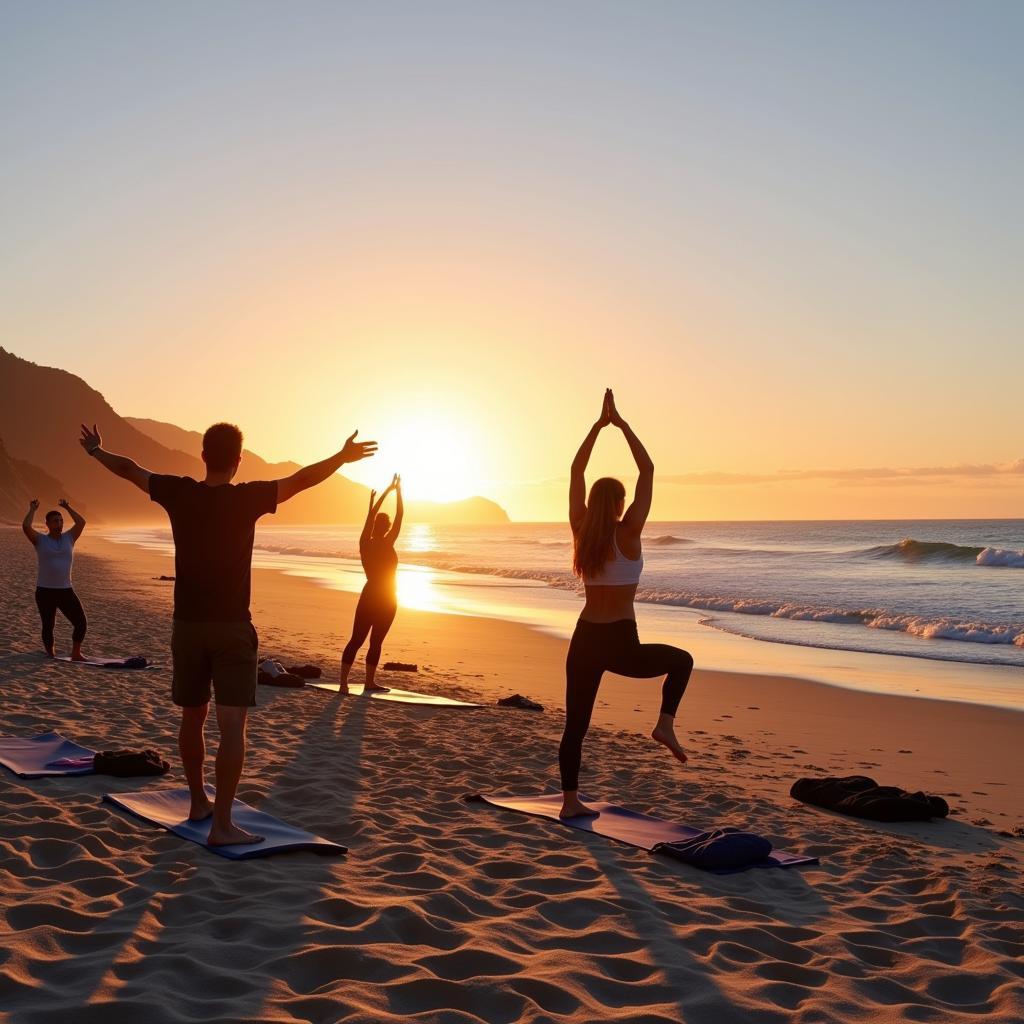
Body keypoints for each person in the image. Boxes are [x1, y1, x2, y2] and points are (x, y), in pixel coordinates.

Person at [79, 420, 376, 846]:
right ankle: (221, 825)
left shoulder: (179, 492)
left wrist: (95, 452)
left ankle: (199, 801)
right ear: (238, 460)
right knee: (232, 726)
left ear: (203, 456)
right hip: (232, 627)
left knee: (192, 716)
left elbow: (129, 469)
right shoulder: (248, 497)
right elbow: (302, 479)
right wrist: (341, 457)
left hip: (187, 626)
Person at [559, 389, 694, 818]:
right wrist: (621, 425)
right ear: (619, 504)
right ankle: (664, 724)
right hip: (620, 642)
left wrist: (597, 428)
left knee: (575, 725)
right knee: (683, 661)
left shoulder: (581, 531)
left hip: (584, 639)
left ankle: (569, 803)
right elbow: (648, 469)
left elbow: (576, 468)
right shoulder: (630, 531)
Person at [340, 473, 404, 694]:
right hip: (387, 597)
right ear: (385, 528)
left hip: (370, 594)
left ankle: (343, 684)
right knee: (375, 641)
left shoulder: (364, 544)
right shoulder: (387, 542)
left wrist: (384, 494)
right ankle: (368, 682)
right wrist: (398, 492)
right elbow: (400, 517)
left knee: (356, 639)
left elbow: (371, 518)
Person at [22, 498, 89, 659]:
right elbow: (26, 526)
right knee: (48, 625)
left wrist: (67, 507)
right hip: (45, 590)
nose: (59, 523)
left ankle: (76, 653)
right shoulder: (40, 540)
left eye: (61, 520)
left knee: (81, 623)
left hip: (66, 590)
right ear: (47, 524)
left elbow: (81, 522)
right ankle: (50, 653)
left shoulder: (69, 538)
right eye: (55, 521)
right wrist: (32, 509)